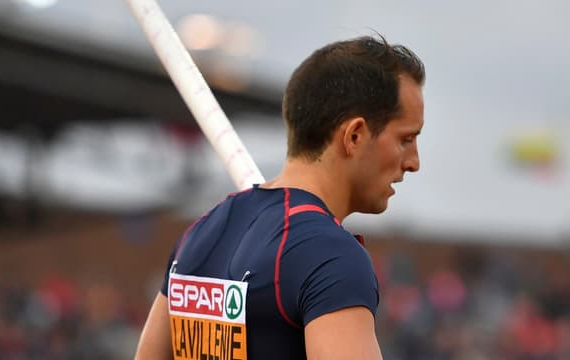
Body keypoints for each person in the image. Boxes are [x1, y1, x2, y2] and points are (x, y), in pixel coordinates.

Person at [135, 35, 425, 360]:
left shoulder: (201, 233)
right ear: (354, 135)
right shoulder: (329, 257)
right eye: (406, 139)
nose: (414, 162)